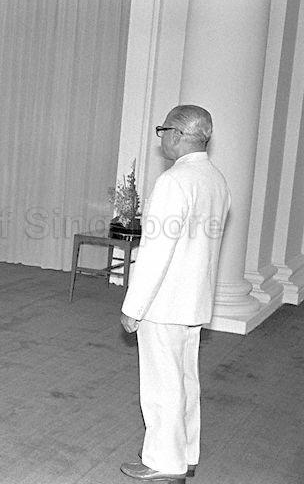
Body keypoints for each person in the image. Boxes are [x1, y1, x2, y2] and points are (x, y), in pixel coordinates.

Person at [119, 105, 231, 481]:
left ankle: (164, 462)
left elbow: (155, 252)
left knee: (161, 384)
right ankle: (186, 451)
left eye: (162, 129)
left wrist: (133, 306)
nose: (161, 137)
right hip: (193, 299)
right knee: (185, 379)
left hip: (163, 302)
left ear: (178, 134)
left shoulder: (174, 181)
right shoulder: (215, 178)